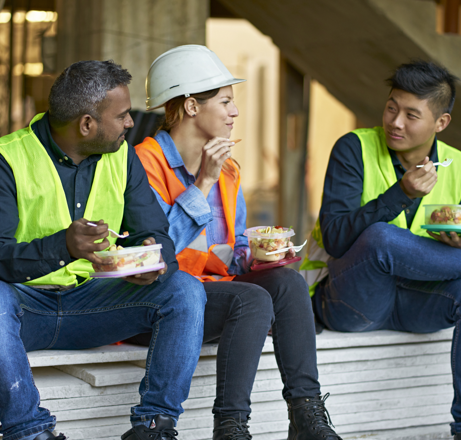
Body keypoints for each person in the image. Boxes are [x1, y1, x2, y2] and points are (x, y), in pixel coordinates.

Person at [0, 60, 207, 440]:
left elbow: (155, 231)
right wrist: (63, 246)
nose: (131, 124)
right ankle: (31, 433)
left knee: (183, 288)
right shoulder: (2, 161)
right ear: (87, 124)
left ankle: (154, 428)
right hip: (21, 312)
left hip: (92, 305)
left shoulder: (122, 156)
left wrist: (152, 257)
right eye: (121, 117)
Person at [300, 60, 461, 440]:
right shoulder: (353, 148)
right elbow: (337, 239)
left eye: (411, 114)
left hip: (419, 302)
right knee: (381, 238)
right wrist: (400, 195)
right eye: (391, 107)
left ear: (441, 123)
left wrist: (460, 245)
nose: (395, 122)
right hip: (353, 301)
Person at [132, 45, 342, 440]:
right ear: (192, 106)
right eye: (226, 101)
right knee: (253, 300)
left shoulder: (228, 169)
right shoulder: (144, 163)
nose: (235, 112)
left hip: (217, 294)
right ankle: (230, 426)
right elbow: (154, 254)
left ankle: (306, 415)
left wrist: (263, 256)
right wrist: (202, 183)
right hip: (164, 304)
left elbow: (234, 257)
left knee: (289, 284)